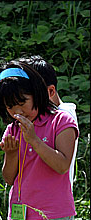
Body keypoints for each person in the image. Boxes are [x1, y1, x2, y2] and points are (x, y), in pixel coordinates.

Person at [0, 59, 78, 220]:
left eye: (22, 103)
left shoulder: (62, 121)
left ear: (37, 94)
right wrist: (11, 154)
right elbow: (9, 178)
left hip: (51, 215)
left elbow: (62, 165)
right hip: (20, 215)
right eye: (10, 107)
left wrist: (34, 140)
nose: (17, 111)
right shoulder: (13, 129)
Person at [20, 55, 78, 190]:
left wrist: (34, 140)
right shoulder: (35, 116)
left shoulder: (64, 117)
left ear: (50, 91)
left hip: (54, 203)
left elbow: (62, 165)